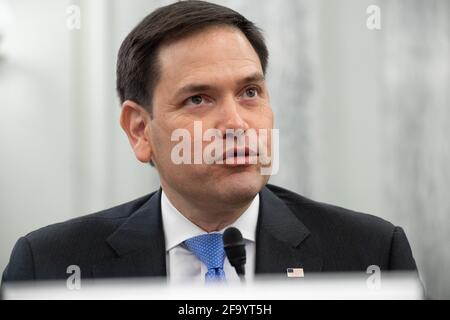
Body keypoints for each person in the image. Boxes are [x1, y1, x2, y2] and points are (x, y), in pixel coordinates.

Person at [2, 0, 417, 286]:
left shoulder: (372, 253)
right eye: (198, 98)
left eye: (250, 93)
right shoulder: (50, 265)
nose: (236, 123)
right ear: (140, 131)